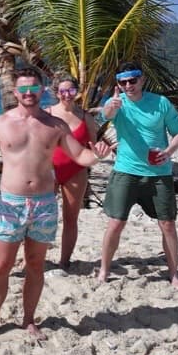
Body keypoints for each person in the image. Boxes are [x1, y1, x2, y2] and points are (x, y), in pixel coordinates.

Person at [0, 68, 110, 341]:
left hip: (45, 204)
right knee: (2, 265)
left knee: (36, 265)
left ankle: (28, 320)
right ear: (16, 93)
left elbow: (80, 156)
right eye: (23, 90)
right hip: (11, 203)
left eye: (34, 89)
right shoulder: (1, 122)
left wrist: (97, 155)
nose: (28, 94)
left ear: (42, 90)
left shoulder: (56, 125)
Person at [96, 62, 178, 288]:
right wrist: (111, 108)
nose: (128, 85)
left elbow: (177, 134)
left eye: (132, 80)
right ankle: (104, 269)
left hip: (159, 173)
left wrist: (168, 152)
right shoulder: (116, 104)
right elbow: (103, 117)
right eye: (123, 82)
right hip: (126, 171)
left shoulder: (161, 103)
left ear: (142, 79)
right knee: (116, 223)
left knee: (167, 224)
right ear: (118, 84)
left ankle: (174, 273)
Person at [47, 75, 100, 271]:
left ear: (77, 92)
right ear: (56, 92)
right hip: (49, 171)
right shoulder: (47, 114)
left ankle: (64, 261)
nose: (67, 95)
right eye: (63, 91)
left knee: (71, 219)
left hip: (76, 171)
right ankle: (34, 257)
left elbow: (92, 147)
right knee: (41, 217)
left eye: (71, 90)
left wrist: (100, 154)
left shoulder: (86, 117)